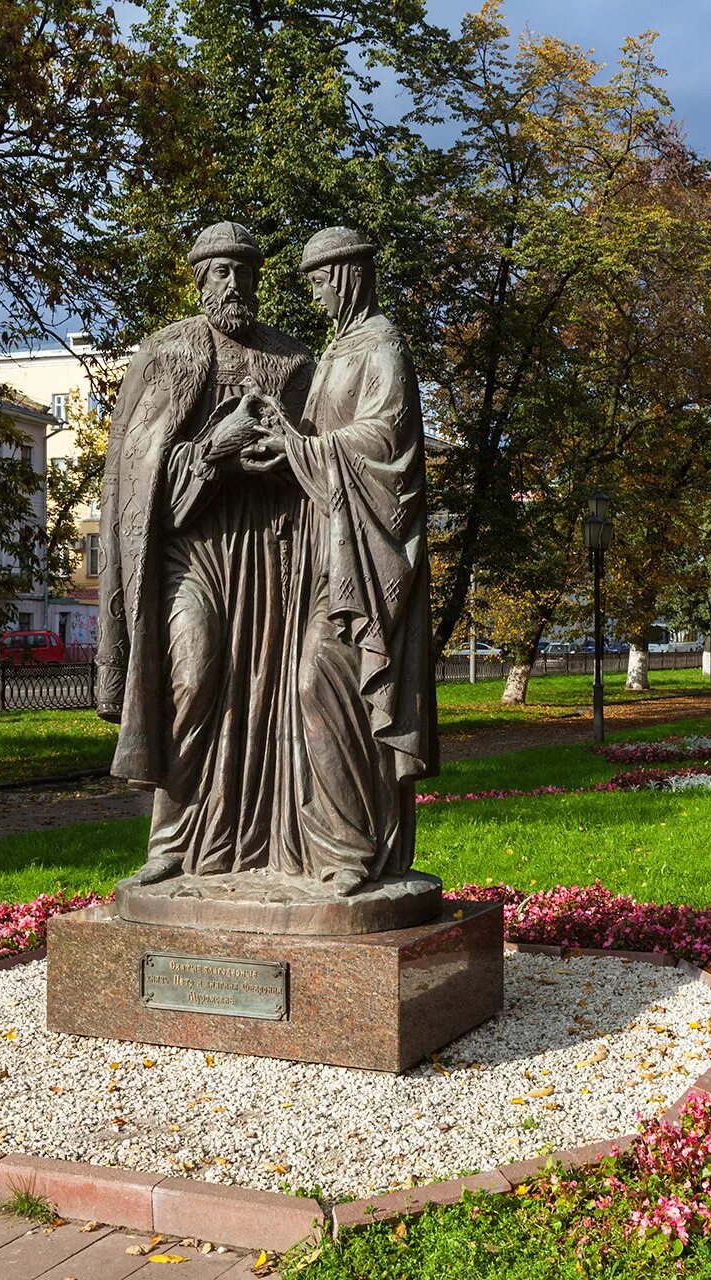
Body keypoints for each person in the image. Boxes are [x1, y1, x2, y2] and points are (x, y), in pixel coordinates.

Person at [95, 222, 316, 886]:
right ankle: (172, 838)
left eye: (245, 271)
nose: (235, 283)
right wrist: (213, 449)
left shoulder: (291, 361)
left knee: (259, 695)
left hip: (266, 554)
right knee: (191, 675)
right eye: (220, 271)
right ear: (199, 280)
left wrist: (275, 452)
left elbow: (316, 466)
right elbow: (136, 475)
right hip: (187, 551)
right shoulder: (167, 353)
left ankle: (259, 845)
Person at [253, 227, 438, 894]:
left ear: (347, 274)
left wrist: (307, 448)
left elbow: (384, 441)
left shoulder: (381, 342)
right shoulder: (338, 350)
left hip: (361, 555)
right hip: (327, 545)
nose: (315, 293)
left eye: (318, 280)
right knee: (313, 690)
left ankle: (354, 849)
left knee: (319, 684)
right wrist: (289, 436)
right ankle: (330, 846)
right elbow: (332, 438)